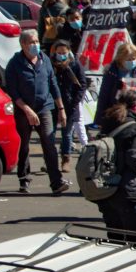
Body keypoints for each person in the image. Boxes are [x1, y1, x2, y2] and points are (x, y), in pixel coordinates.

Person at [4, 30, 71, 194]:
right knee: (24, 145)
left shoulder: (44, 59)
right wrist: (27, 110)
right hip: (23, 110)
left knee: (49, 144)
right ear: (23, 44)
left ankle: (56, 181)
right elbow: (13, 92)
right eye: (31, 42)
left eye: (36, 41)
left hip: (44, 108)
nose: (35, 45)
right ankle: (24, 179)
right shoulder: (14, 64)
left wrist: (61, 108)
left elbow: (53, 84)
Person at [95, 92, 136, 243]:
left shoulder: (109, 122)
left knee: (115, 243)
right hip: (129, 191)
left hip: (106, 191)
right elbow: (135, 158)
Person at [49, 39, 88, 173]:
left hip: (70, 105)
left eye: (64, 52)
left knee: (66, 134)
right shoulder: (50, 64)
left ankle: (65, 160)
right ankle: (50, 160)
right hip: (53, 104)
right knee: (50, 133)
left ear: (69, 51)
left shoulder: (75, 64)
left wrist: (75, 101)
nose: (61, 55)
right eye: (59, 52)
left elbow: (82, 84)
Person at [95, 42, 136, 125]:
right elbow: (104, 96)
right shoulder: (111, 72)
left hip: (135, 112)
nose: (132, 61)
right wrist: (100, 119)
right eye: (128, 59)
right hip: (116, 112)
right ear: (120, 58)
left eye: (134, 59)